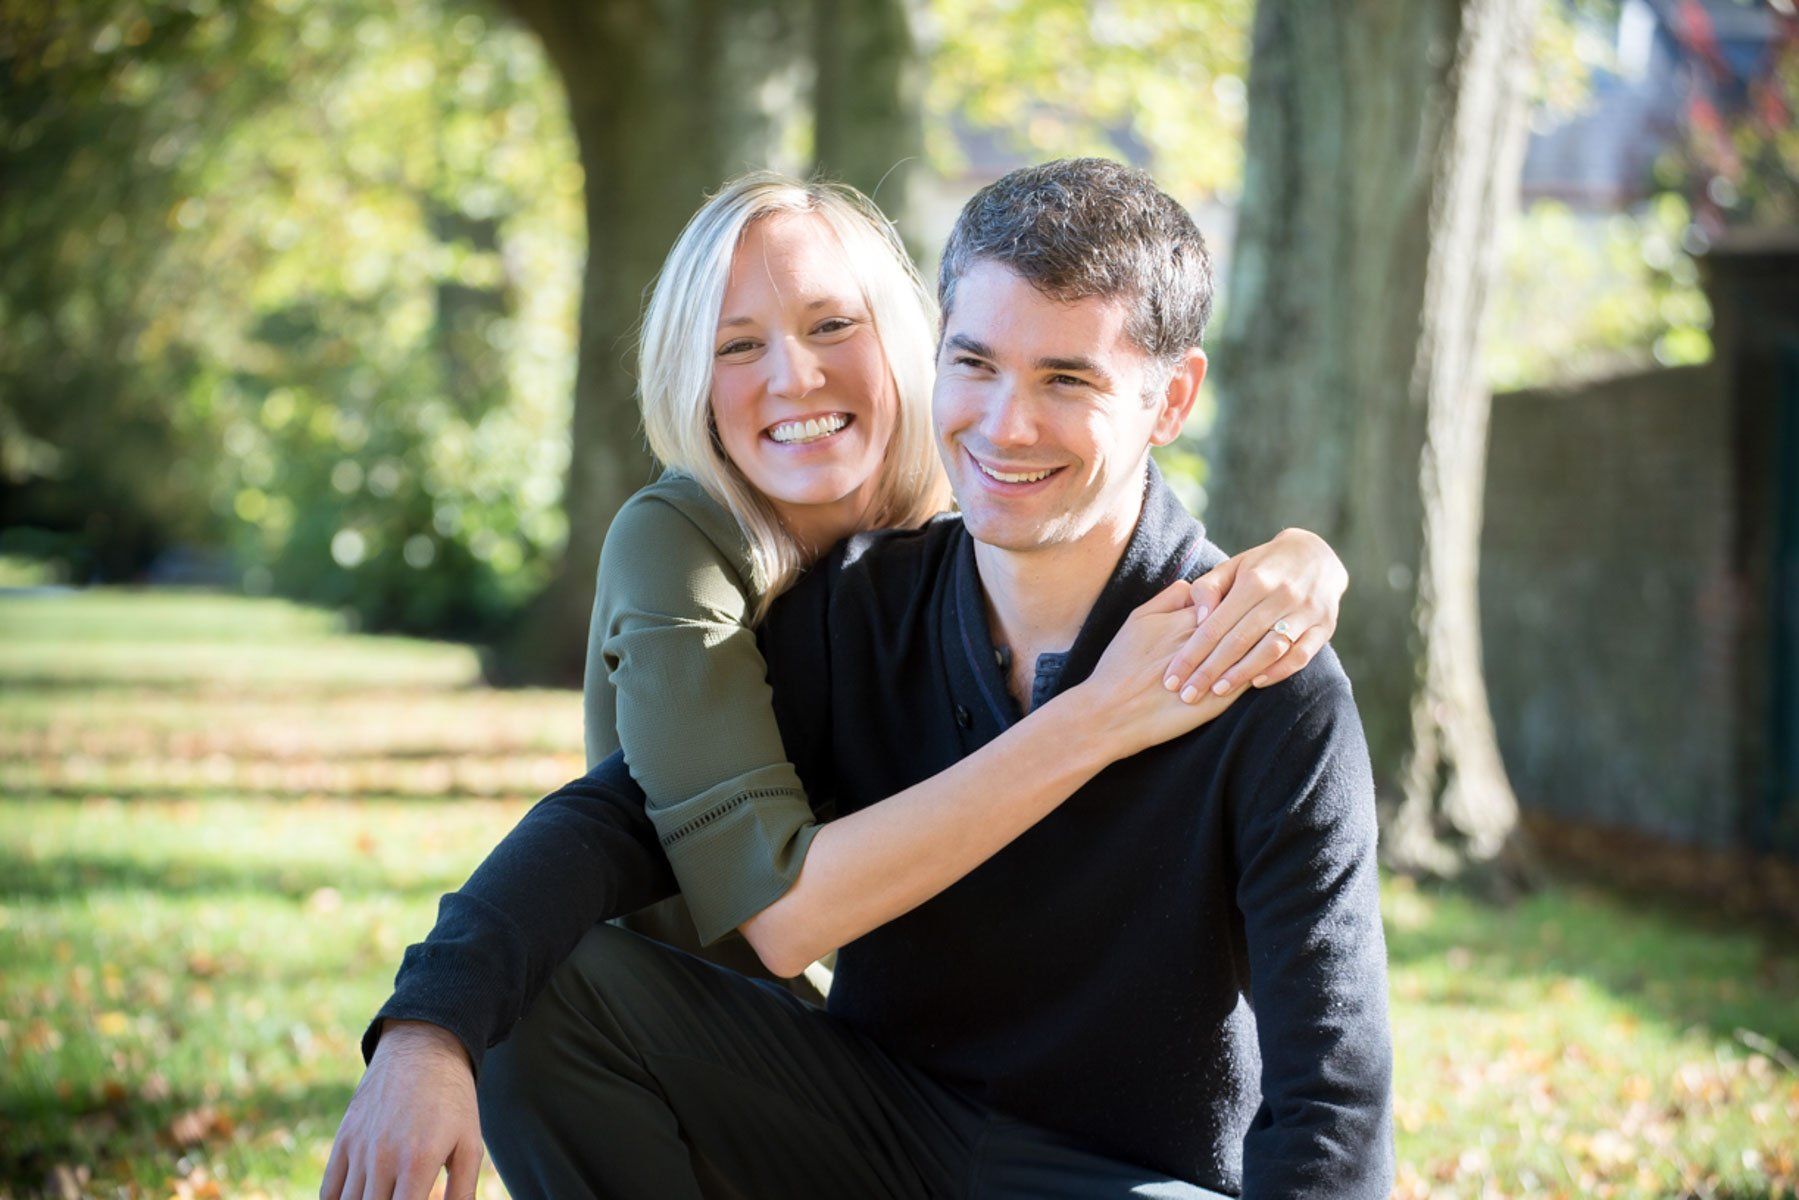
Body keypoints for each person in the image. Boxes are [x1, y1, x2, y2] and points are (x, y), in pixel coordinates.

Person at [321, 163, 1382, 1200]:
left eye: (1066, 378)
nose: (1006, 424)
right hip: (873, 1133)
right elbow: (609, 826)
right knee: (552, 987)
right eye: (975, 364)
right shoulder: (854, 611)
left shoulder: (1266, 679)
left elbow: (1329, 1101)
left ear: (1171, 398)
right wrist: (429, 1026)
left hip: (1116, 1172)